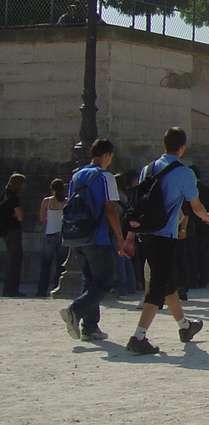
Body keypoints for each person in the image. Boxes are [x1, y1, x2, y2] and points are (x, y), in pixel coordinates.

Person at [119, 127, 209, 354]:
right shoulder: (184, 173)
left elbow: (138, 205)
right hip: (165, 235)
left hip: (145, 234)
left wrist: (131, 236)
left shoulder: (147, 169)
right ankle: (138, 336)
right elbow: (196, 206)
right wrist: (208, 217)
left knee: (168, 282)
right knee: (158, 285)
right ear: (182, 146)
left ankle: (185, 326)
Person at [58, 140, 122, 340]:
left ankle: (90, 327)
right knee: (105, 282)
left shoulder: (77, 176)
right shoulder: (105, 177)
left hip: (78, 236)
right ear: (107, 155)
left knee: (90, 282)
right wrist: (120, 237)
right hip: (98, 236)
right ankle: (75, 311)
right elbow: (110, 209)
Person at [37, 179, 68, 297]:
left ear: (52, 189)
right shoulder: (66, 201)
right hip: (62, 235)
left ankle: (41, 290)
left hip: (50, 234)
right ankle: (57, 287)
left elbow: (41, 218)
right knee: (60, 264)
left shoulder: (47, 201)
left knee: (46, 263)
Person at [1, 172, 26, 296]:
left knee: (12, 260)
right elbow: (20, 217)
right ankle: (11, 290)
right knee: (15, 260)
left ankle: (9, 289)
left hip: (6, 231)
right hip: (13, 231)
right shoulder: (14, 198)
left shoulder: (5, 196)